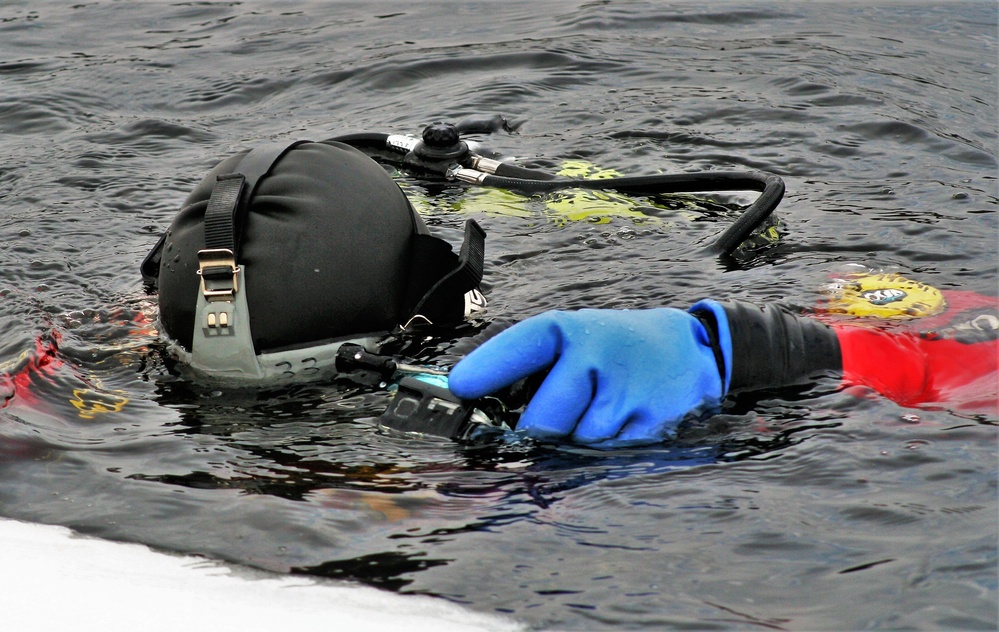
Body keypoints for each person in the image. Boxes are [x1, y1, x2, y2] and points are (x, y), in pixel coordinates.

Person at [138, 135, 997, 447]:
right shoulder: (540, 377)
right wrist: (764, 347)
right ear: (444, 291)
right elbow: (976, 363)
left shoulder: (97, 372)